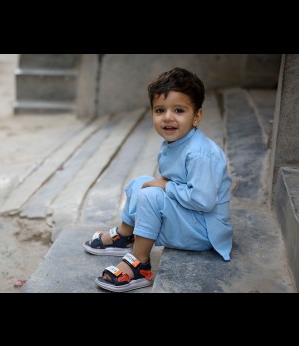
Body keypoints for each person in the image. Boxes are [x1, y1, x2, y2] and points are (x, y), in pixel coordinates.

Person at [83, 67, 233, 292]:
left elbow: (204, 201)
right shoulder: (174, 144)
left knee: (152, 194)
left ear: (197, 116)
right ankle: (126, 236)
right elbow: (171, 179)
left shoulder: (200, 153)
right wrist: (163, 183)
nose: (168, 117)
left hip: (204, 231)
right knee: (140, 182)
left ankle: (139, 265)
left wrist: (165, 186)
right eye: (160, 110)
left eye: (179, 110)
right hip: (189, 217)